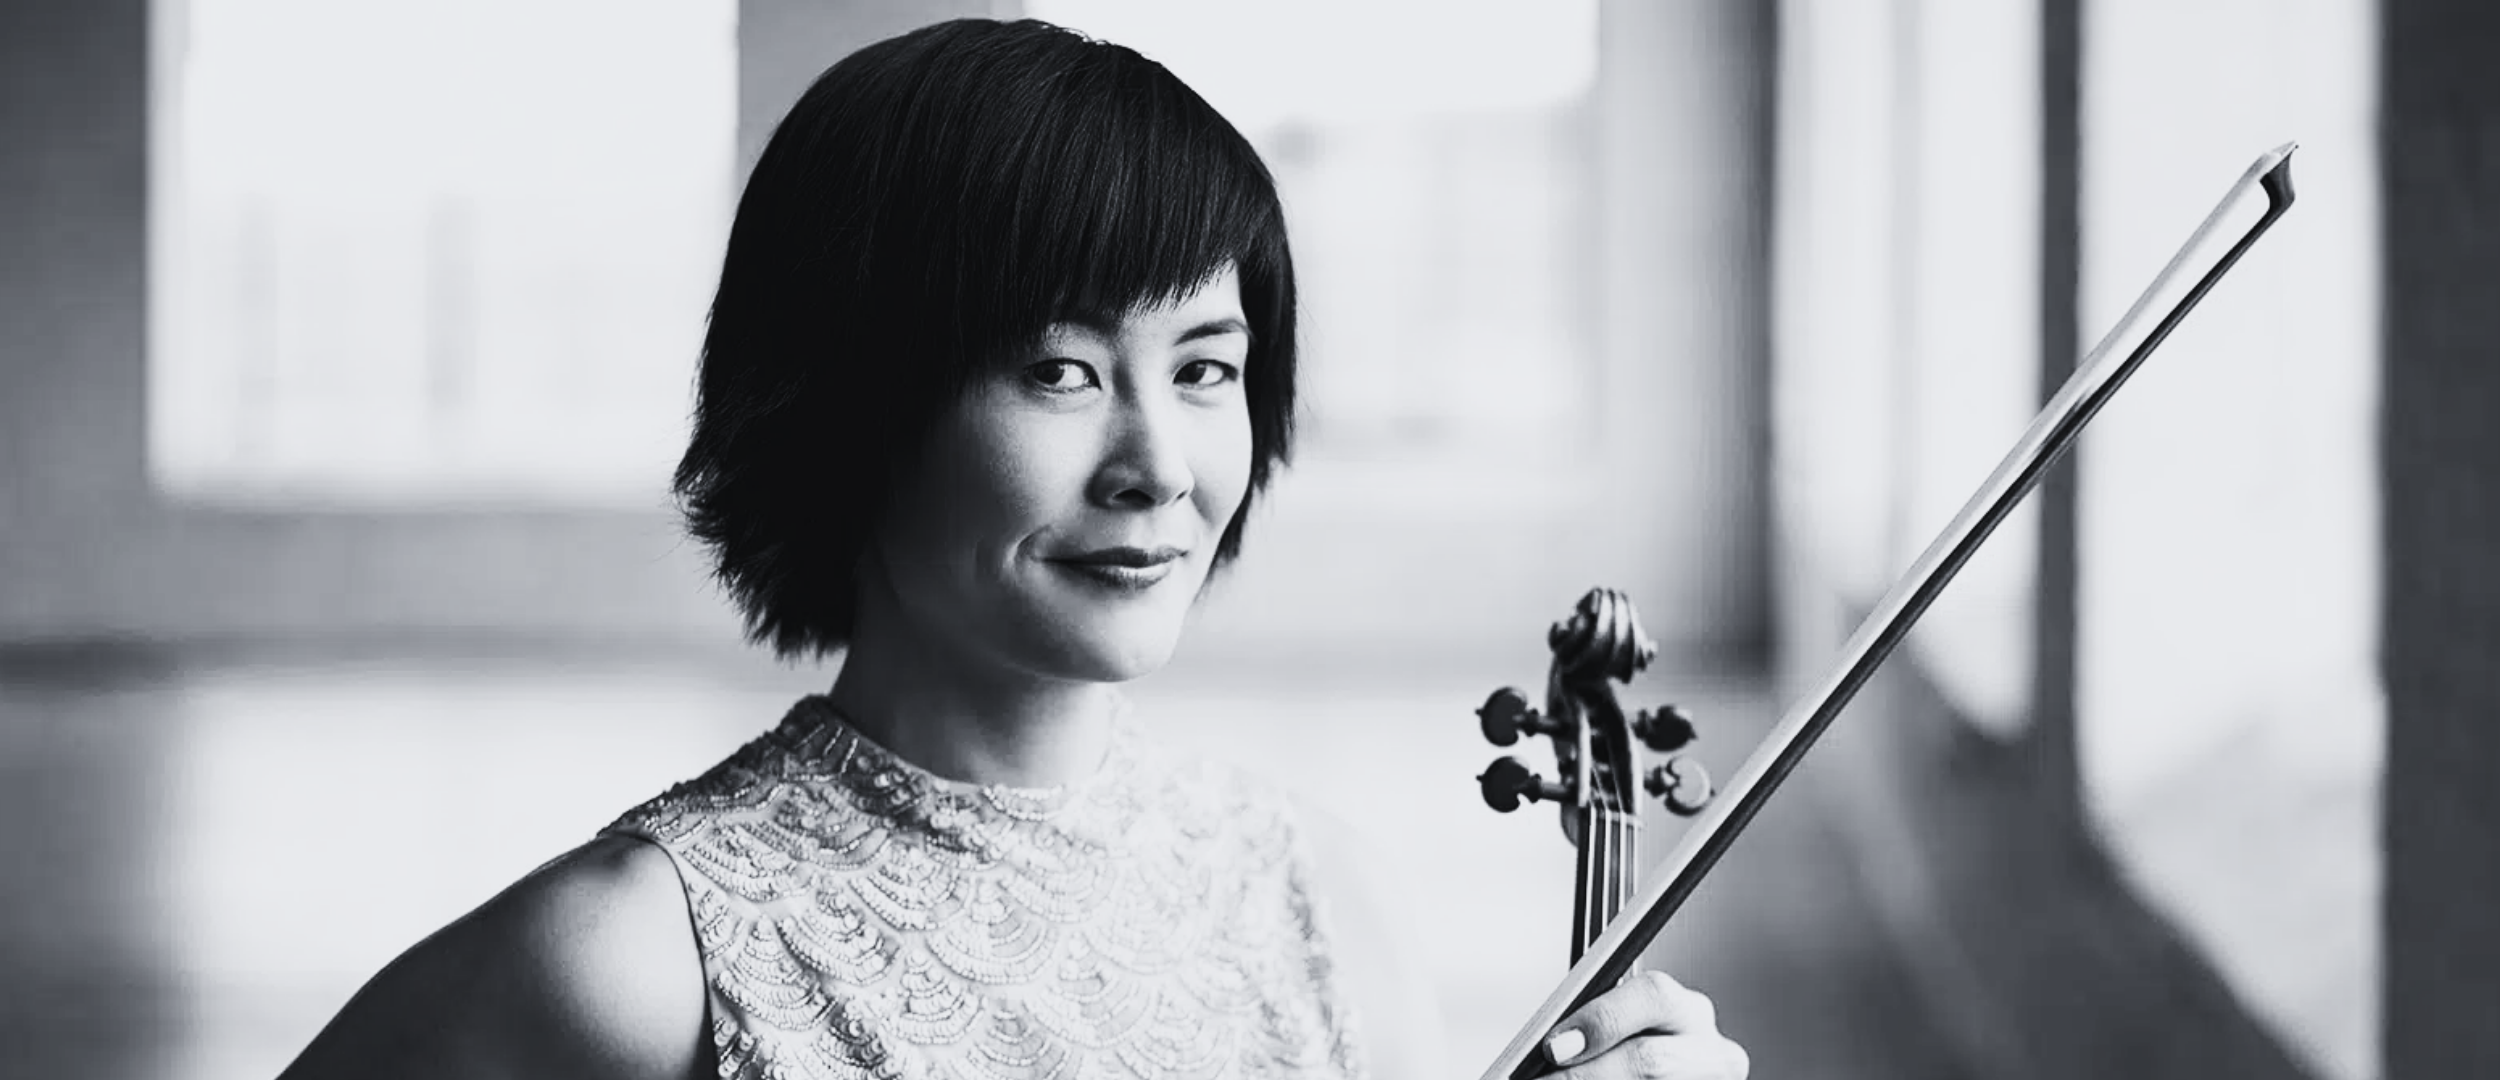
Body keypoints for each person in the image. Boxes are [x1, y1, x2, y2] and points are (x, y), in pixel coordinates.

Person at [278, 18, 1749, 1080]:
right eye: (1058, 370)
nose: (1160, 468)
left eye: (1206, 370)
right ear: (854, 395)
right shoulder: (634, 956)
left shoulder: (1314, 890)